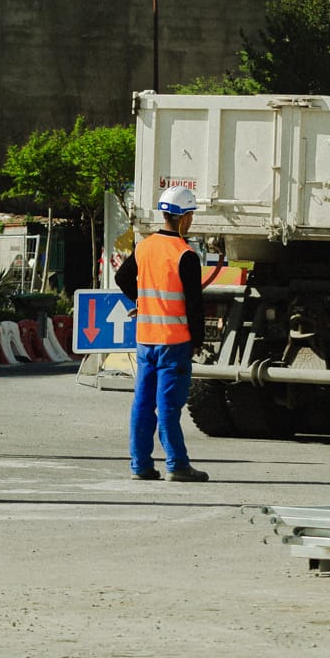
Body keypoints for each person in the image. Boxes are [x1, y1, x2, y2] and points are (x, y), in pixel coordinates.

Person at [114, 185, 209, 483]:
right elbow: (194, 304)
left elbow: (122, 277)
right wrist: (198, 340)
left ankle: (140, 465)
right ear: (185, 217)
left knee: (143, 404)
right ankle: (177, 464)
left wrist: (142, 300)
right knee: (168, 406)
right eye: (191, 216)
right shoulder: (185, 255)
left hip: (146, 339)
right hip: (174, 342)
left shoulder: (144, 246)